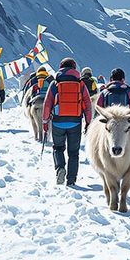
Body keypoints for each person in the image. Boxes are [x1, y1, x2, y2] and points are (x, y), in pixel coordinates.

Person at [41, 58, 93, 186]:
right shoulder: (80, 84)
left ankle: (60, 168)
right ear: (74, 69)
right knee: (73, 153)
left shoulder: (55, 83)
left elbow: (48, 103)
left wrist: (45, 121)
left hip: (58, 121)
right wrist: (88, 121)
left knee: (58, 148)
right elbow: (87, 103)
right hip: (75, 122)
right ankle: (71, 180)